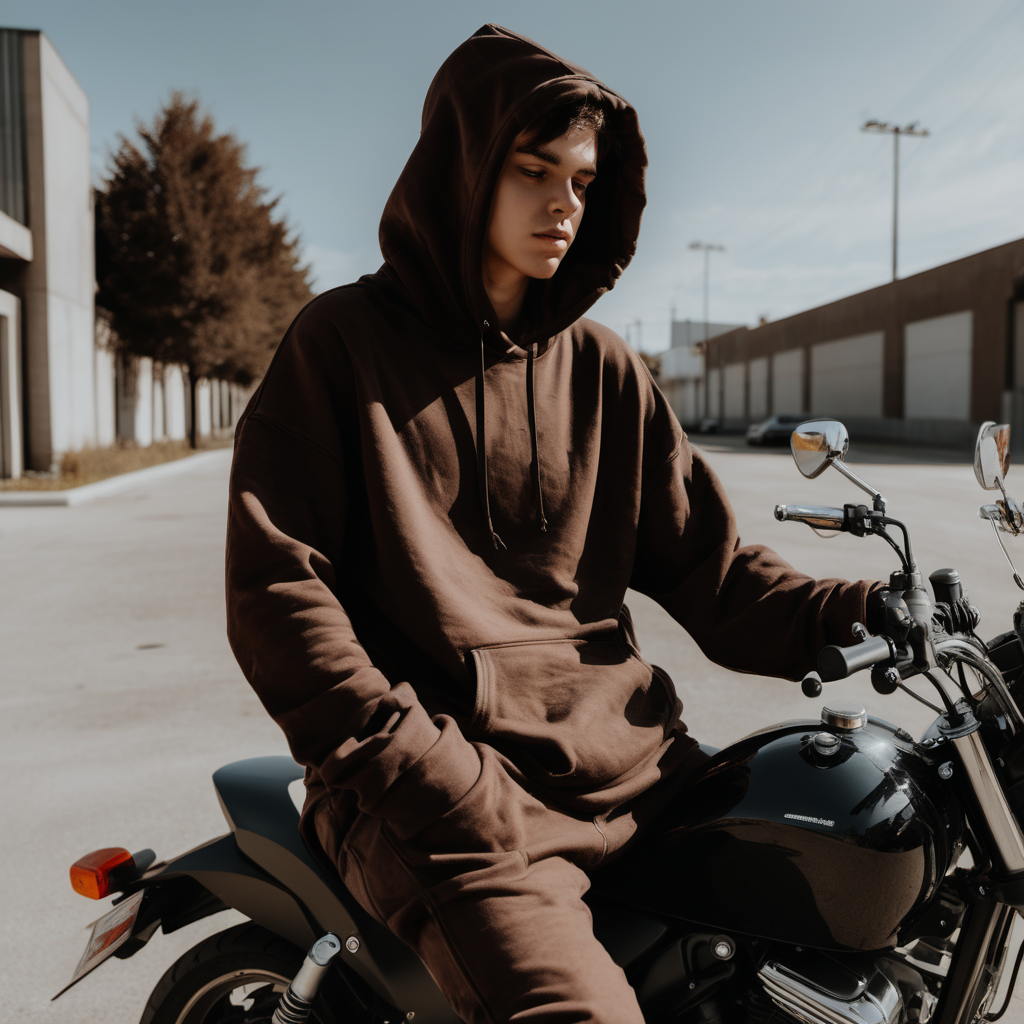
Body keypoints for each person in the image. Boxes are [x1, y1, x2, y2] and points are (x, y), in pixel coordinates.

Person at [226, 24, 877, 1024]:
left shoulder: (606, 369)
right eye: (535, 171)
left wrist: (871, 606)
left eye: (580, 179)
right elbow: (279, 593)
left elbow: (717, 575)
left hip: (633, 771)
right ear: (464, 167)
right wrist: (420, 767)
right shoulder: (340, 345)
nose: (564, 204)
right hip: (451, 802)